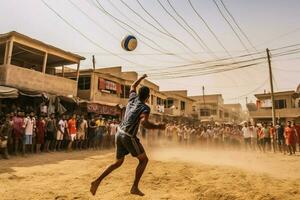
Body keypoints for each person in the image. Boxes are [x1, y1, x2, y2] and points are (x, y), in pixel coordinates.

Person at [90, 74, 165, 196]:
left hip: (119, 132)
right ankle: (134, 187)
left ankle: (96, 181)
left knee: (118, 162)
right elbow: (144, 123)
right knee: (144, 160)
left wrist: (141, 78)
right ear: (147, 97)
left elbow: (133, 85)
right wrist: (158, 127)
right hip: (128, 136)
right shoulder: (145, 107)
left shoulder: (132, 98)